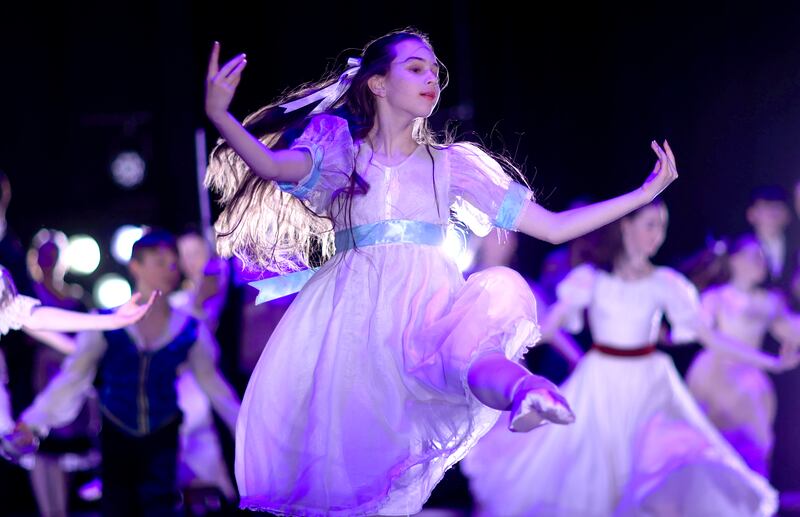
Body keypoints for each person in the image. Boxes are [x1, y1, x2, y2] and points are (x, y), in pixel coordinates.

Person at [204, 29, 677, 515]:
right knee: (351, 468)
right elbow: (271, 165)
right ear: (378, 84)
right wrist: (219, 113)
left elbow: (554, 228)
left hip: (427, 303)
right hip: (353, 320)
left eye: (435, 69)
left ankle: (525, 390)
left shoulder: (454, 166)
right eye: (415, 67)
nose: (431, 76)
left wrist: (642, 195)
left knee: (465, 351)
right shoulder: (340, 154)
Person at [463, 201, 780, 516]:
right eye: (650, 225)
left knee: (663, 463)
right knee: (588, 474)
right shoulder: (591, 280)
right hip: (600, 383)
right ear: (626, 226)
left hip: (651, 385)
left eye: (662, 227)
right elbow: (546, 329)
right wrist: (488, 341)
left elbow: (709, 337)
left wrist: (771, 362)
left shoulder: (666, 284)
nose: (657, 235)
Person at [7, 231, 241, 517]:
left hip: (163, 435)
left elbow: (216, 388)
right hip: (116, 433)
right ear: (136, 266)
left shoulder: (190, 329)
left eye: (172, 263)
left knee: (161, 507)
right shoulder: (106, 323)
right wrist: (33, 423)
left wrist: (245, 430)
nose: (169, 270)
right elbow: (73, 379)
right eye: (159, 261)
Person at [687, 234, 800, 477]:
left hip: (750, 384)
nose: (761, 261)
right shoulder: (714, 298)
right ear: (734, 260)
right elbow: (710, 338)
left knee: (752, 451)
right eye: (753, 255)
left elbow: (792, 330)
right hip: (713, 378)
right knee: (710, 449)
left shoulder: (769, 302)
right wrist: (770, 362)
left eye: (762, 256)